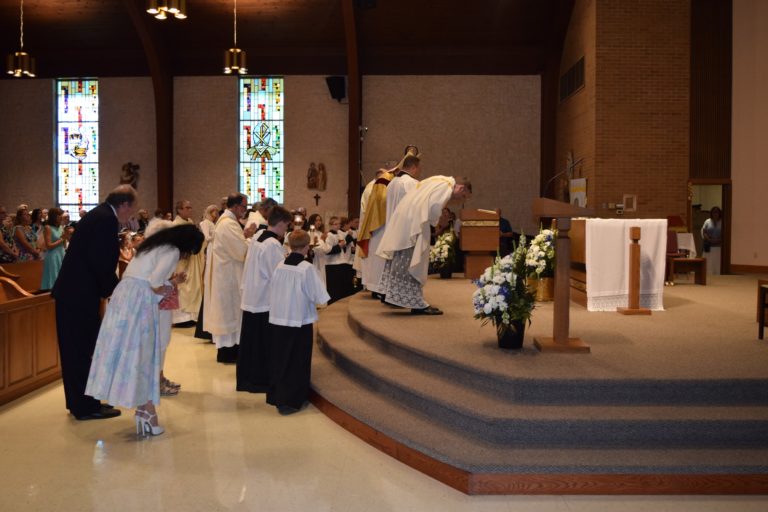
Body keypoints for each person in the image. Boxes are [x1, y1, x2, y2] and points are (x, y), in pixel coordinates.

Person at [85, 224, 203, 436]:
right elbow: (155, 282)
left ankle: (145, 410)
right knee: (143, 356)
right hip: (140, 301)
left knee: (132, 355)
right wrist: (173, 283)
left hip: (124, 296)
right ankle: (147, 412)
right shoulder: (172, 250)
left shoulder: (154, 244)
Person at [52, 184, 137, 421]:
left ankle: (82, 402)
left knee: (79, 350)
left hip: (75, 294)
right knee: (80, 351)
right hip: (78, 295)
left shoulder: (100, 215)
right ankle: (85, 407)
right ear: (124, 204)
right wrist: (117, 291)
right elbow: (101, 260)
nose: (130, 216)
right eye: (131, 211)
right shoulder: (105, 219)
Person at [377, 176, 472, 315]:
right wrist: (437, 222)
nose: (459, 199)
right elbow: (433, 207)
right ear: (461, 188)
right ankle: (416, 303)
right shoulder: (446, 187)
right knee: (412, 261)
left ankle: (392, 295)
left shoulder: (440, 180)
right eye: (463, 196)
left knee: (402, 258)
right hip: (415, 223)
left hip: (407, 219)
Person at [266, 230, 330, 415]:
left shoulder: (280, 264)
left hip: (278, 319)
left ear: (289, 246)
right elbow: (320, 297)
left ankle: (277, 396)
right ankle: (292, 399)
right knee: (297, 359)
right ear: (307, 247)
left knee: (280, 358)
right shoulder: (306, 268)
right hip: (298, 321)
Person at [237, 206, 292, 393]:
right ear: (281, 222)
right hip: (264, 299)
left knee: (252, 341)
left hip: (252, 295)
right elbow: (277, 274)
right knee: (262, 342)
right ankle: (260, 380)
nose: (286, 229)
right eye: (286, 225)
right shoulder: (272, 245)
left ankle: (248, 379)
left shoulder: (258, 237)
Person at [203, 193, 257, 363]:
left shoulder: (228, 222)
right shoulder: (228, 224)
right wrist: (251, 239)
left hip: (227, 274)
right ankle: (229, 352)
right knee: (230, 313)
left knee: (229, 313)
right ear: (234, 206)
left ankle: (230, 350)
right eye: (243, 206)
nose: (245, 210)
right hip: (228, 277)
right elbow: (241, 252)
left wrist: (245, 236)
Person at [172, 199, 204, 326]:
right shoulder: (175, 224)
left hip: (193, 260)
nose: (190, 210)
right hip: (182, 260)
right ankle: (181, 319)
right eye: (187, 208)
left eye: (190, 207)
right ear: (179, 210)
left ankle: (192, 317)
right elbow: (173, 243)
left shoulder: (190, 222)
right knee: (183, 287)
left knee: (194, 288)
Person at [40, 208, 69, 291]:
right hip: (53, 256)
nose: (61, 217)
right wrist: (62, 239)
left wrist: (66, 238)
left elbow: (63, 244)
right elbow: (48, 246)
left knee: (63, 278)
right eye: (59, 216)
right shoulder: (48, 227)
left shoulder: (61, 227)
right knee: (54, 279)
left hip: (61, 253)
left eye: (61, 215)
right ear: (53, 216)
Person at [701, 206, 723, 275]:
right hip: (709, 245)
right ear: (711, 213)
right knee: (709, 262)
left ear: (719, 213)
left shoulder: (723, 222)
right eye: (714, 212)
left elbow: (725, 233)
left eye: (717, 212)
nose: (715, 214)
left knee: (717, 262)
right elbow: (704, 232)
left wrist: (719, 240)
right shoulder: (707, 221)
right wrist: (709, 239)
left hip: (719, 245)